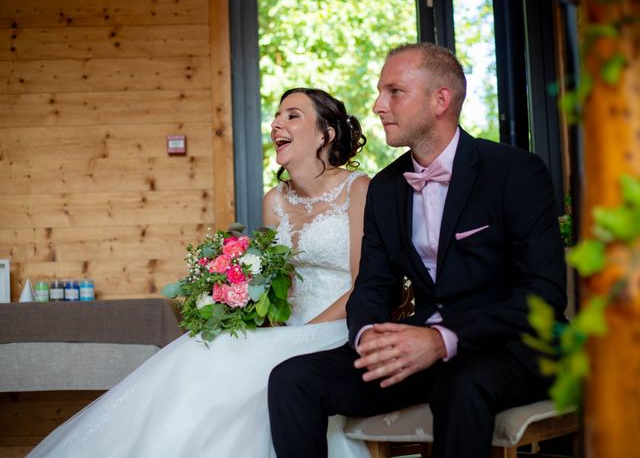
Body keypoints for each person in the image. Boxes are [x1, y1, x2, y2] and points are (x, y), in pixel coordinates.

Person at [28, 88, 371, 458]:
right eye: (276, 116)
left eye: (292, 115)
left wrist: (302, 334)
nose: (275, 124)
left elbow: (363, 285)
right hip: (288, 328)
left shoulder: (358, 189)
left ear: (326, 133)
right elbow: (277, 285)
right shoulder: (275, 201)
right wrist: (243, 302)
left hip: (339, 326)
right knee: (204, 349)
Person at [268, 43, 568, 458]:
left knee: (461, 383)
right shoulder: (387, 188)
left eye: (394, 92)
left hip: (512, 346)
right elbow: (373, 285)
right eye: (379, 92)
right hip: (419, 349)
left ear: (439, 100)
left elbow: (544, 294)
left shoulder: (515, 171)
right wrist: (370, 334)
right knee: (292, 378)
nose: (377, 106)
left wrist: (442, 338)